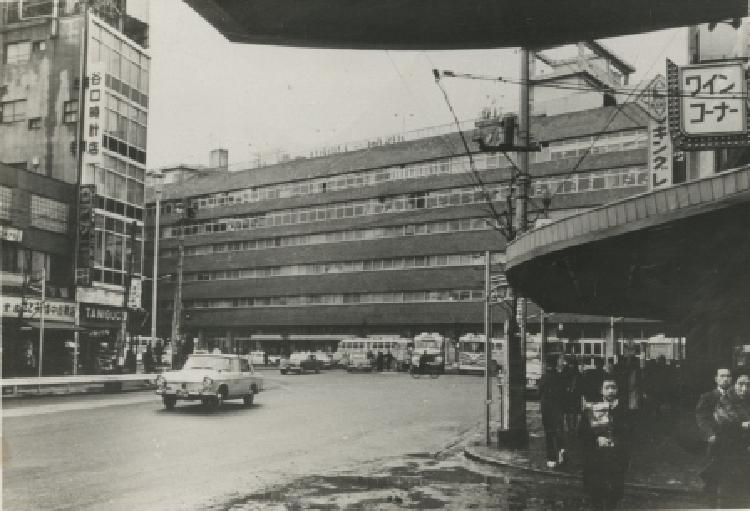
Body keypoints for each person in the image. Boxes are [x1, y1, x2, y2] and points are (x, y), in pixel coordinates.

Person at [578, 378, 633, 510]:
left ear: (617, 390)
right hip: (597, 459)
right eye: (607, 388)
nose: (610, 391)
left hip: (616, 458)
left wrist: (619, 443)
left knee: (613, 497)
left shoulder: (624, 411)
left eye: (613, 387)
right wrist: (596, 440)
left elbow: (630, 435)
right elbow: (581, 434)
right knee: (596, 496)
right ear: (601, 391)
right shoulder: (590, 410)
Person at [695, 367, 733, 502]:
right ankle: (710, 493)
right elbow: (701, 417)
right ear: (716, 379)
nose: (725, 379)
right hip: (716, 436)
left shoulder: (736, 396)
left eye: (728, 376)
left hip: (733, 436)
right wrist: (709, 433)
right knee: (713, 465)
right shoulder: (708, 396)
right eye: (722, 376)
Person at [539, 356, 566, 468]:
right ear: (555, 365)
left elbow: (539, 392)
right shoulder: (560, 377)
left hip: (547, 409)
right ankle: (561, 450)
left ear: (547, 365)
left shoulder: (544, 377)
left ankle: (551, 458)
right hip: (558, 408)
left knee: (549, 433)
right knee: (559, 431)